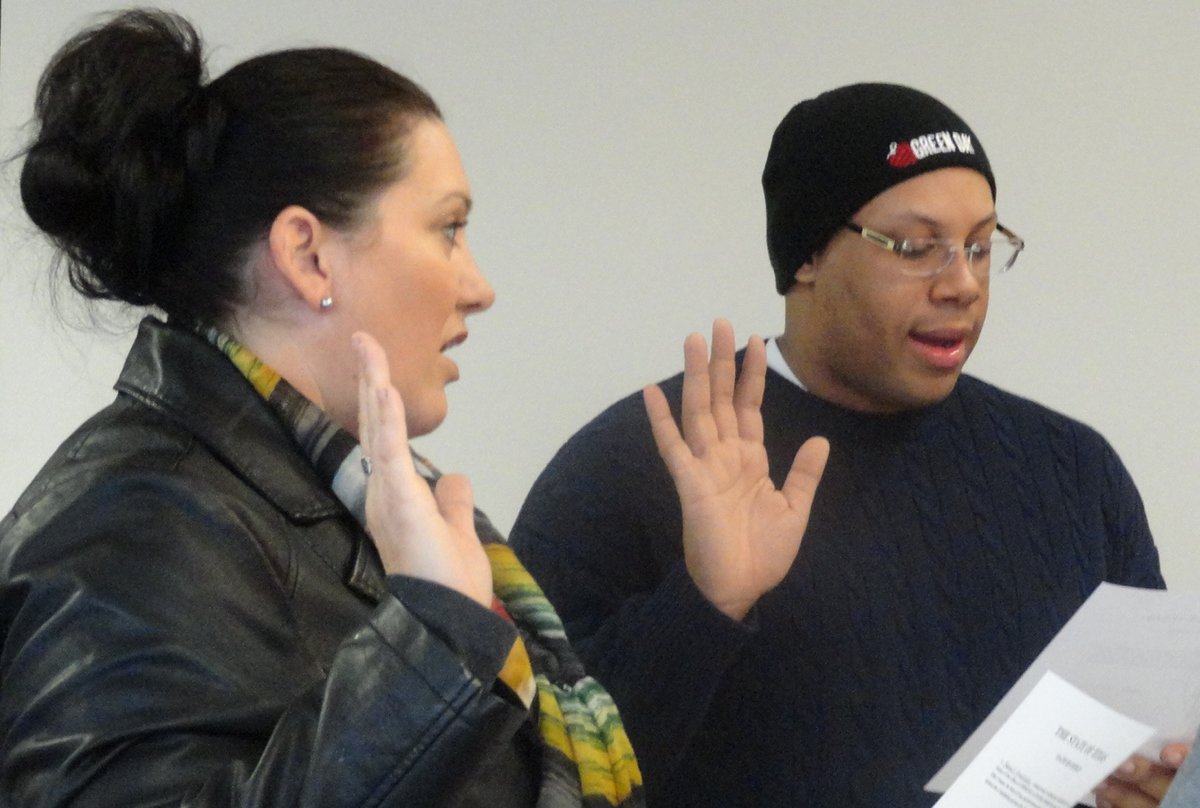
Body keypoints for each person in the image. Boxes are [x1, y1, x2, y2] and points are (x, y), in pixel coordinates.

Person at [0, 10, 830, 805]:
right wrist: (433, 646)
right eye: (449, 229)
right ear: (308, 256)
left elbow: (529, 778)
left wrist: (708, 600)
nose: (479, 287)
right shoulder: (135, 522)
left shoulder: (349, 495)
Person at [510, 83, 1185, 808]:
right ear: (808, 254)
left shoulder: (1072, 472)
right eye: (916, 248)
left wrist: (1165, 788)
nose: (962, 284)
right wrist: (705, 605)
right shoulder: (638, 468)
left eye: (980, 247)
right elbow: (531, 775)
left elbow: (1152, 741)